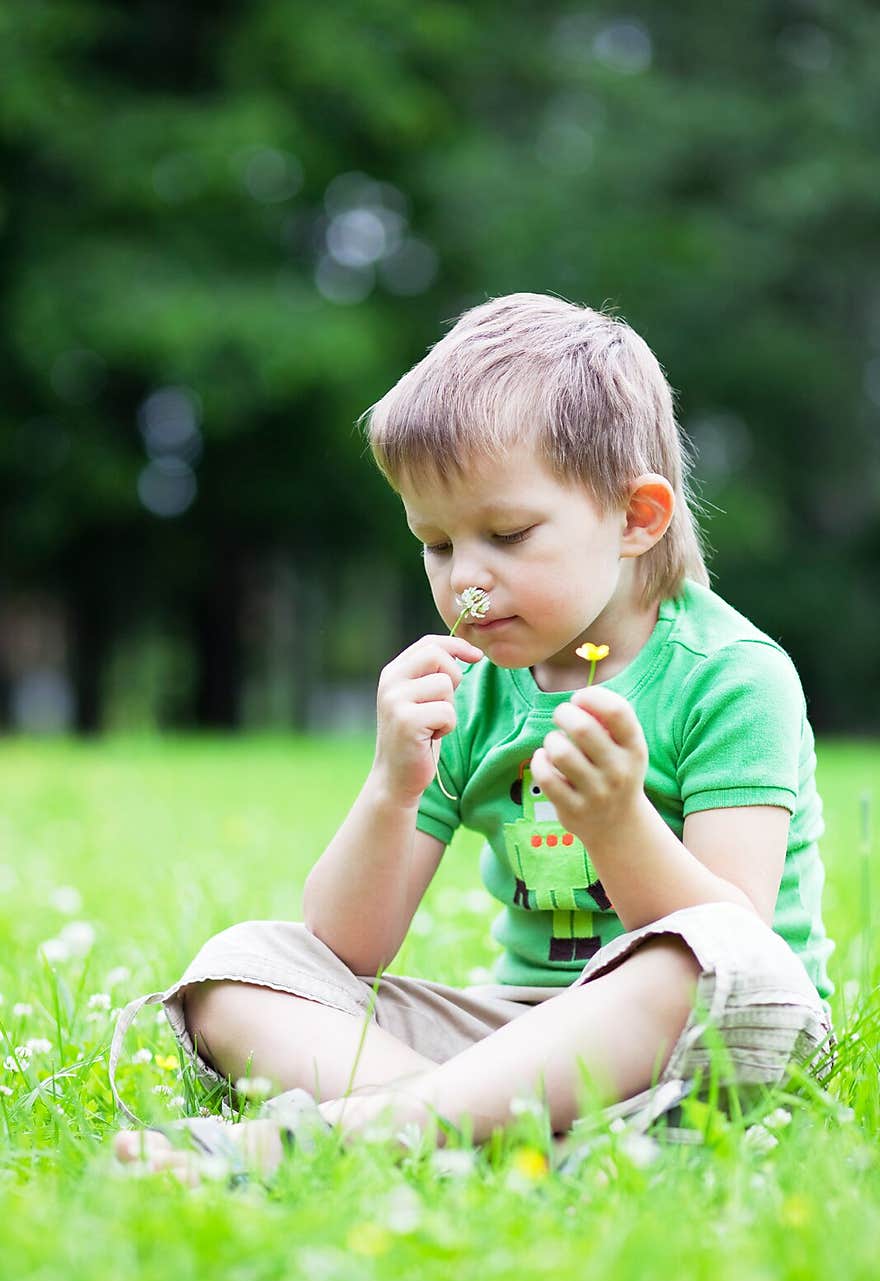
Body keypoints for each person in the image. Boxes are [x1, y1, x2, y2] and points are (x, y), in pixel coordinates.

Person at [112, 292, 833, 1181]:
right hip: (520, 1027)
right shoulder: (475, 691)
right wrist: (392, 787)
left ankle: (360, 1135)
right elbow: (349, 946)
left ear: (636, 518)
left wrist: (615, 823)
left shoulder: (730, 675)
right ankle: (488, 1137)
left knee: (714, 962)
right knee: (237, 971)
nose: (468, 584)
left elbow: (734, 937)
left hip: (701, 1037)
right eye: (436, 545)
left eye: (506, 534)